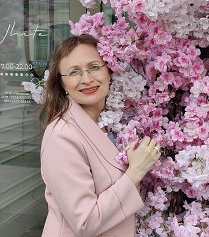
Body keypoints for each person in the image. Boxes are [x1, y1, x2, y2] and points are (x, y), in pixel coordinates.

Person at [40, 34, 161, 237]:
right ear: (62, 84)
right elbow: (85, 221)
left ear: (109, 71)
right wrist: (135, 172)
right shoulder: (62, 137)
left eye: (94, 67)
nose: (87, 79)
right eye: (74, 72)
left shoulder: (112, 122)